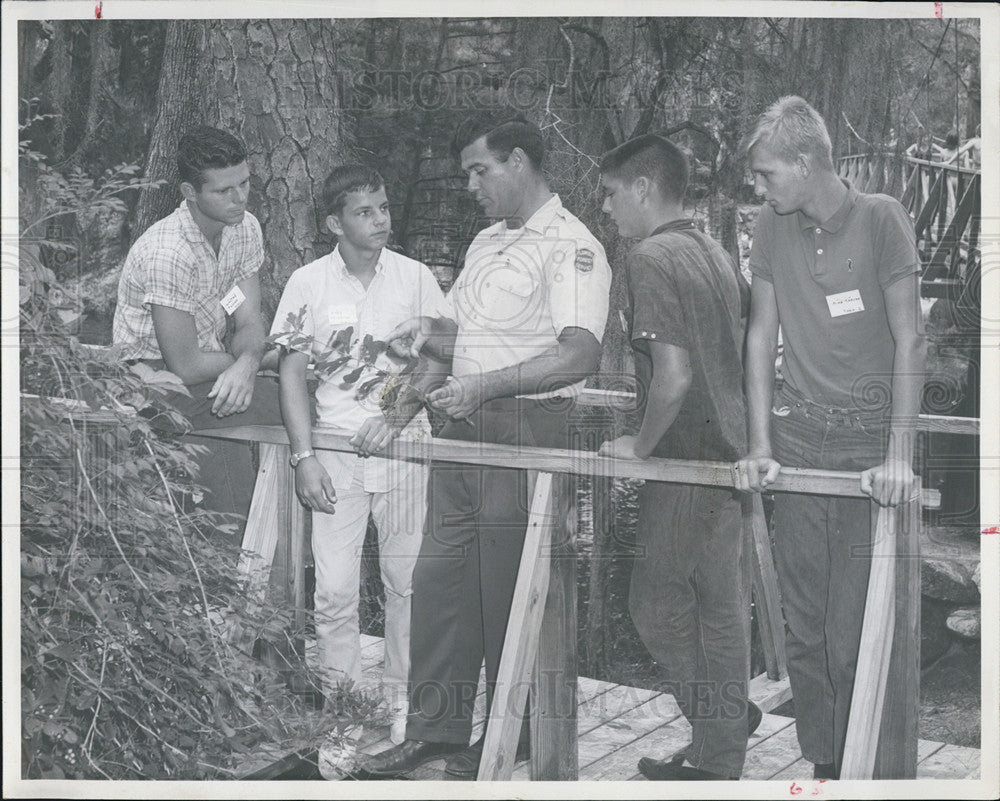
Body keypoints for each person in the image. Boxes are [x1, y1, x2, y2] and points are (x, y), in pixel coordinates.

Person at [358, 111, 612, 779]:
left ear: (520, 163)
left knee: (511, 588)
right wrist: (399, 401)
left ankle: (518, 736)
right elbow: (453, 342)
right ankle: (435, 730)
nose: (470, 183)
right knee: (437, 580)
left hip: (526, 432)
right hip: (461, 433)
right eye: (467, 171)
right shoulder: (483, 243)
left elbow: (579, 353)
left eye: (481, 169)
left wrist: (485, 388)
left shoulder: (572, 245)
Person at [735, 96, 925, 779]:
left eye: (765, 174)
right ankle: (825, 763)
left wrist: (899, 454)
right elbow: (761, 336)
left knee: (852, 633)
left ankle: (864, 763)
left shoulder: (880, 219)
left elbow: (911, 337)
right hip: (799, 439)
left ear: (806, 161)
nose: (757, 187)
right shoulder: (771, 226)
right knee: (805, 630)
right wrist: (760, 445)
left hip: (866, 447)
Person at [596, 134, 759, 781]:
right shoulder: (713, 250)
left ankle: (720, 728)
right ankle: (721, 747)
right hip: (732, 460)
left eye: (611, 195)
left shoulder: (651, 256)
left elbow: (673, 376)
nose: (607, 209)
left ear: (642, 188)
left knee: (654, 606)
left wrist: (637, 447)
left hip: (686, 463)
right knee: (719, 610)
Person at [269, 165, 446, 750]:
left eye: (384, 208)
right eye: (365, 212)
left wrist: (393, 417)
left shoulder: (416, 278)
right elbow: (292, 372)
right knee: (336, 590)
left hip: (404, 449)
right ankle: (342, 710)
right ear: (333, 223)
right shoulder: (308, 283)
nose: (380, 221)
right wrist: (303, 457)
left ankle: (402, 708)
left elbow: (440, 356)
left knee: (407, 582)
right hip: (336, 452)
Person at [113, 125, 281, 530]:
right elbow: (184, 364)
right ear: (190, 192)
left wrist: (247, 362)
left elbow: (247, 321)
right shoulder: (168, 250)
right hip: (151, 380)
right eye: (224, 190)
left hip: (210, 375)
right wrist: (252, 363)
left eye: (244, 183)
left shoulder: (244, 227)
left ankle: (249, 561)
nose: (239, 198)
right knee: (293, 402)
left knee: (231, 480)